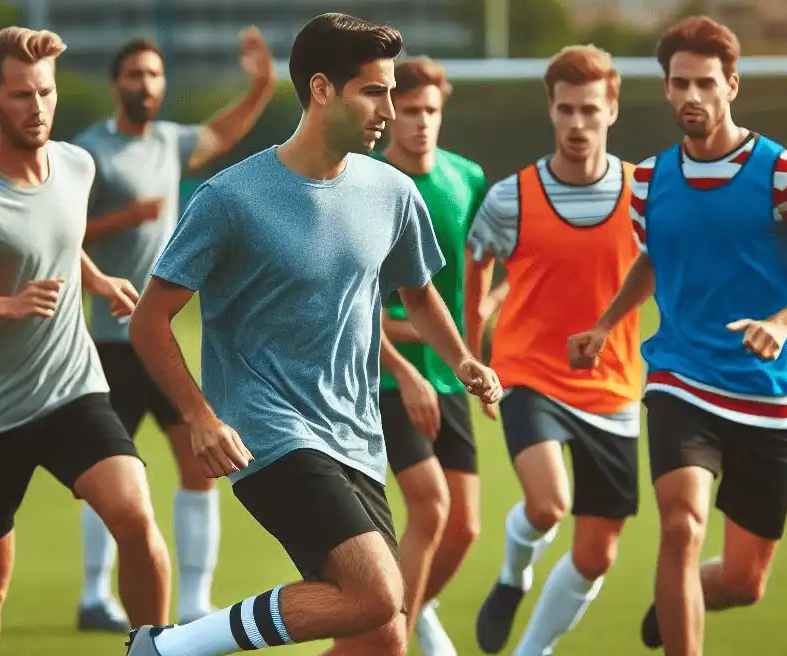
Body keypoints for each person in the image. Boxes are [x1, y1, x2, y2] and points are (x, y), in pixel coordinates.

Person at [124, 13, 501, 656]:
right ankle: (169, 647)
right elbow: (149, 317)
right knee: (379, 593)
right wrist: (200, 417)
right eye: (374, 92)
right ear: (322, 90)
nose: (389, 107)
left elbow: (417, 292)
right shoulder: (231, 198)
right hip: (267, 431)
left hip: (356, 436)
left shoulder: (392, 191)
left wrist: (462, 359)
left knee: (382, 639)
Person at [0, 27, 172, 656]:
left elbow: (59, 236)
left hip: (71, 389)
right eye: (21, 95)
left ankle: (154, 649)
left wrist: (99, 280)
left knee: (136, 518)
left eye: (45, 92)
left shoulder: (77, 165)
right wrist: (8, 305)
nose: (38, 107)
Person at [571, 16, 787, 656]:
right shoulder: (647, 182)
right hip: (680, 378)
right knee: (681, 523)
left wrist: (778, 324)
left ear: (732, 87)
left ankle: (675, 599)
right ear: (666, 89)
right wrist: (607, 323)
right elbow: (654, 258)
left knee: (745, 582)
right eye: (679, 83)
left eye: (705, 83)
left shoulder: (778, 172)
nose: (691, 95)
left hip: (768, 395)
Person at [70, 29, 275, 631]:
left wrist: (262, 83)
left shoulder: (169, 141)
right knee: (103, 478)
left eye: (155, 75)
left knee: (198, 463)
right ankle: (92, 597)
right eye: (134, 74)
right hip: (107, 343)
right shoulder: (89, 152)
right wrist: (125, 217)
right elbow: (61, 235)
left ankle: (193, 603)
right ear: (116, 84)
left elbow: (224, 133)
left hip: (157, 340)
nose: (146, 84)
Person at [465, 45, 643, 655]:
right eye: (565, 109)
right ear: (551, 109)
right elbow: (477, 261)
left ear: (612, 110)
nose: (576, 123)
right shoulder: (509, 197)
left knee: (597, 554)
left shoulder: (643, 193)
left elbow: (675, 260)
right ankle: (513, 574)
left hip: (615, 388)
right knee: (547, 504)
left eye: (589, 110)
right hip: (529, 374)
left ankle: (530, 650)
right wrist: (473, 354)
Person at [372, 56, 486, 656]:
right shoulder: (367, 185)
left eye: (430, 111)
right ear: (392, 114)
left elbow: (479, 276)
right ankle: (395, 638)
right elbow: (359, 307)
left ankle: (407, 614)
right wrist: (404, 368)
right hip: (384, 379)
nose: (420, 123)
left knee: (465, 527)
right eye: (409, 111)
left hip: (450, 376)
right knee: (430, 506)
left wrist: (478, 357)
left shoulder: (467, 177)